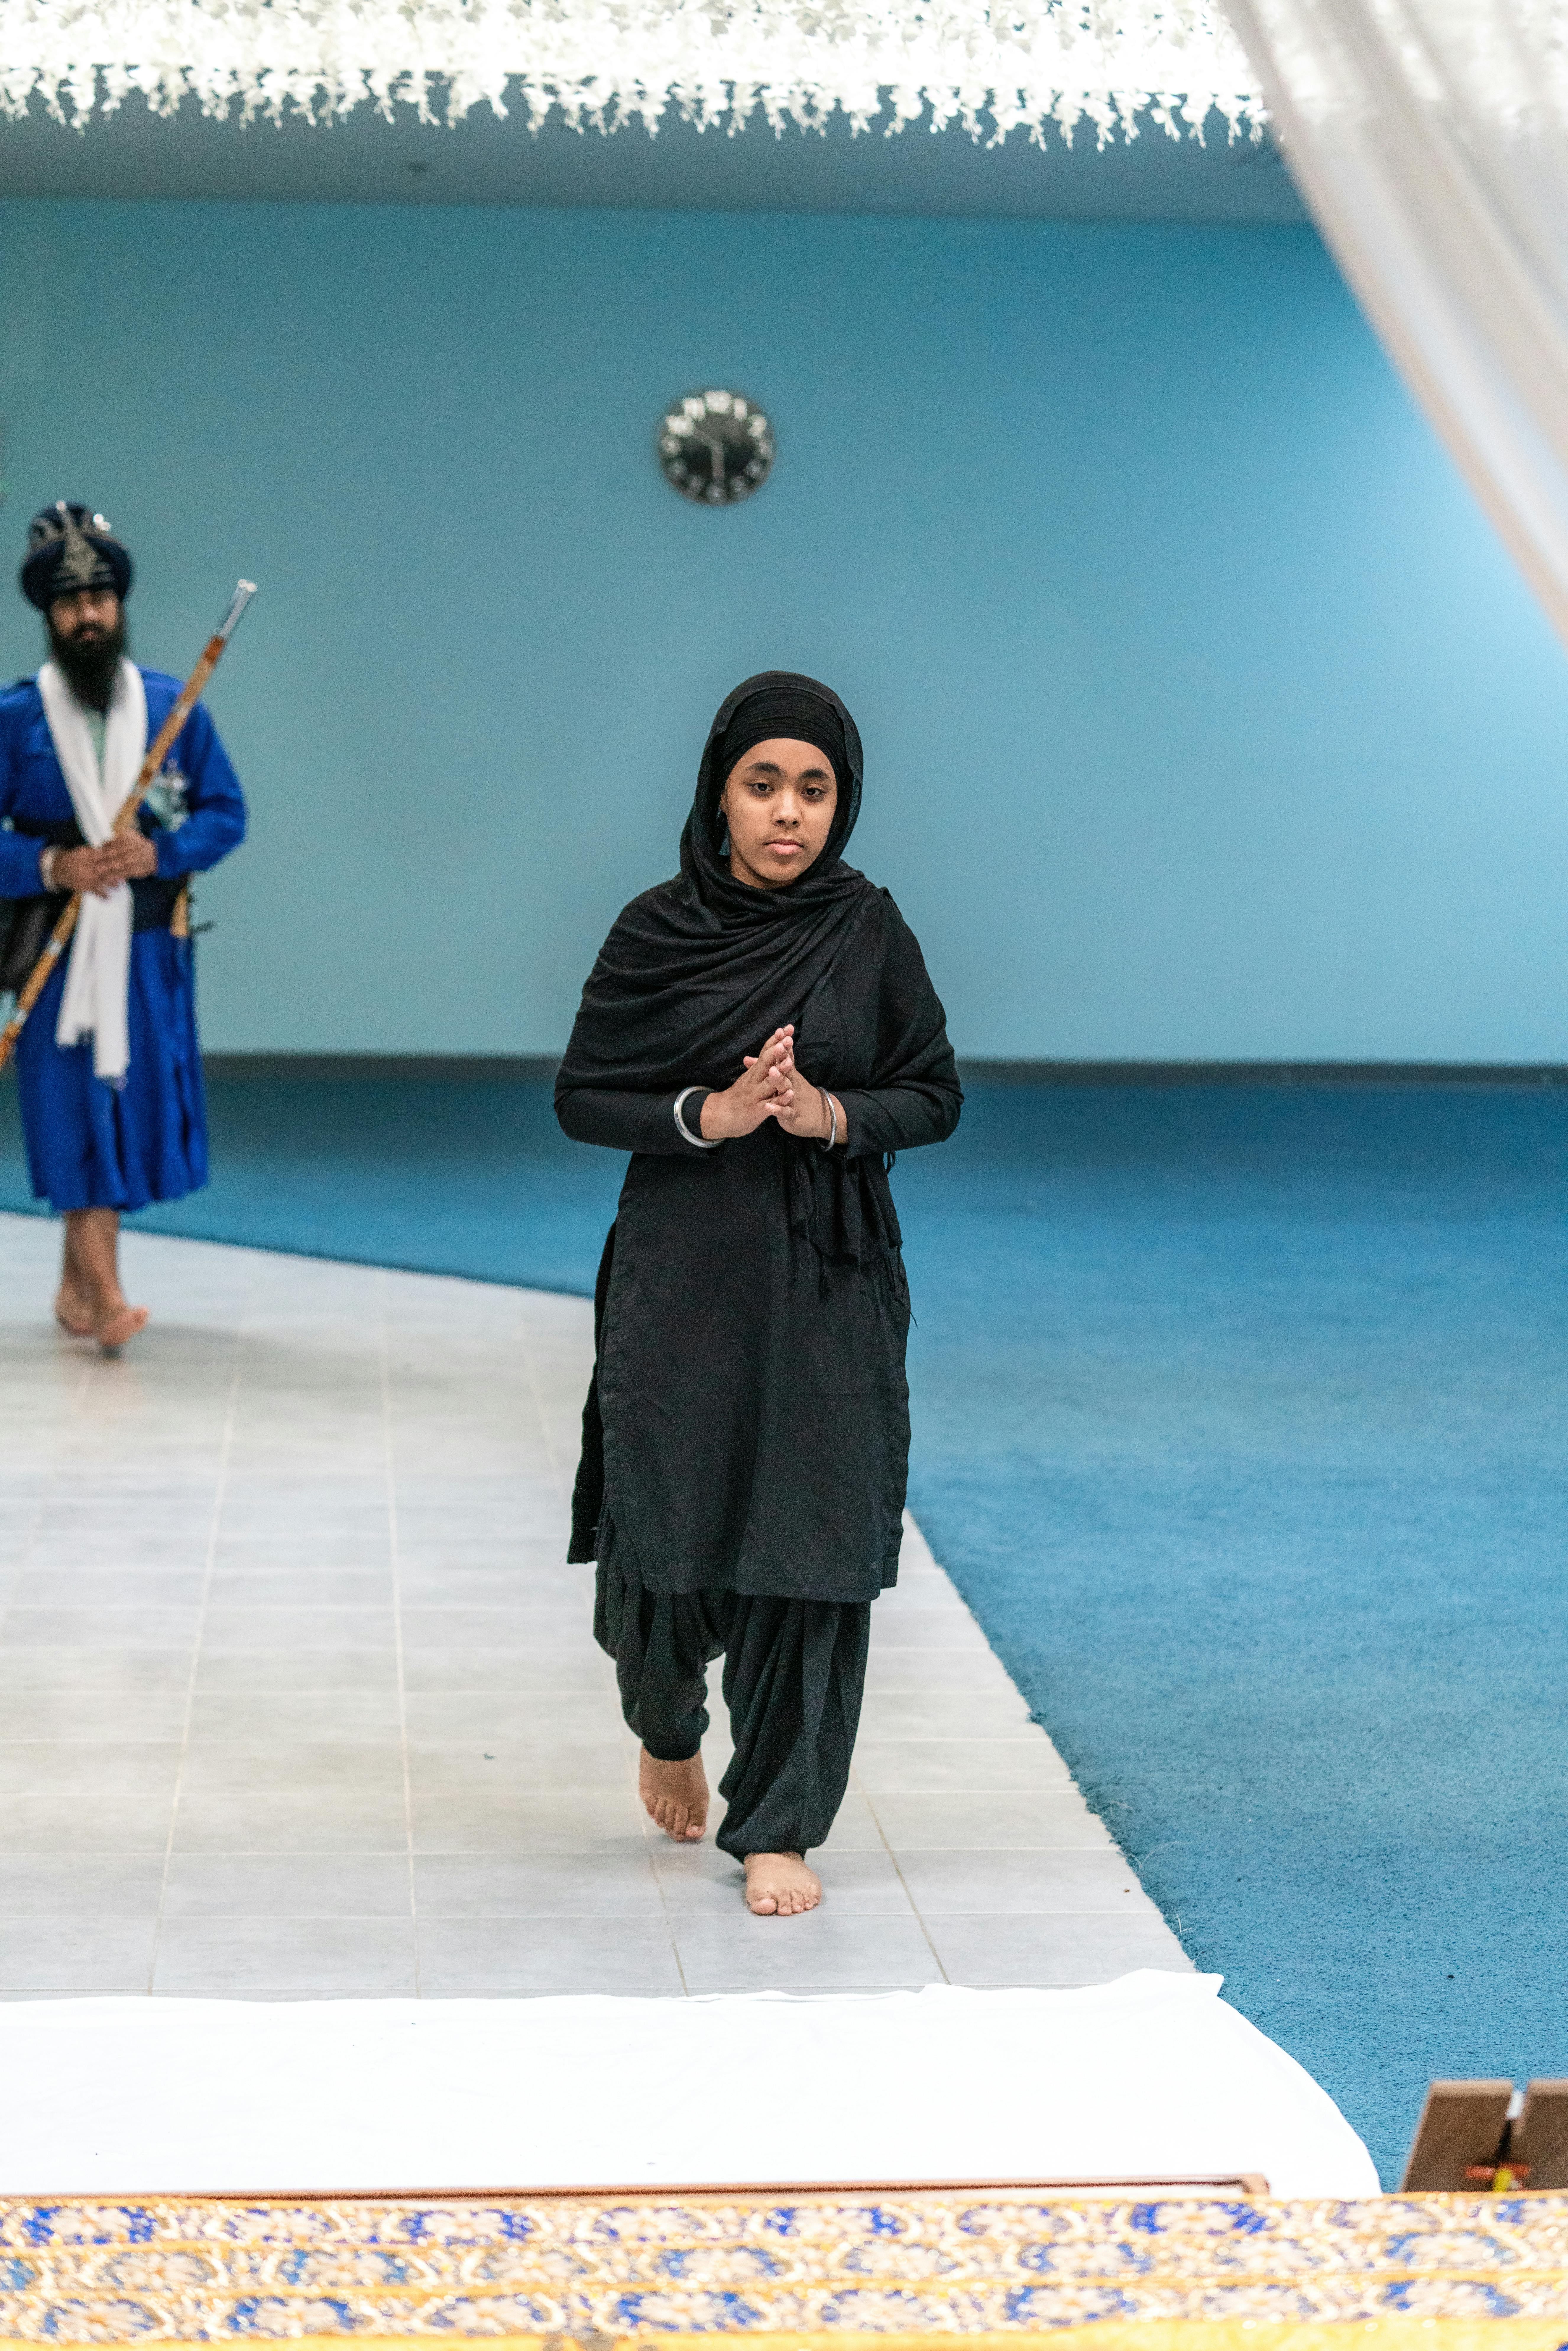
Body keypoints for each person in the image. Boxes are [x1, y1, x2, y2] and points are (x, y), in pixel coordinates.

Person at [556, 671, 962, 1916]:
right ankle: (666, 1715)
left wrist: (832, 1111)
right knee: (666, 1537)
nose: (789, 814)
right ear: (720, 793)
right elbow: (584, 1093)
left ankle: (778, 1819)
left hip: (827, 1275)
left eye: (815, 789)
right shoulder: (655, 930)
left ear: (842, 804)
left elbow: (935, 1092)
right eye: (764, 785)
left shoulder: (868, 928)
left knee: (813, 1538)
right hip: (686, 1271)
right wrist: (711, 1113)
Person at [0, 503, 246, 1351]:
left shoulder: (175, 709)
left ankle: (76, 1287)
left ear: (119, 604)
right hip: (56, 950)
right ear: (49, 616)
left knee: (125, 1112)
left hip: (147, 950)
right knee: (72, 1111)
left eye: (100, 596)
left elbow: (226, 814)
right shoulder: (17, 718)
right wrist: (50, 866)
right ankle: (106, 1299)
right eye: (70, 603)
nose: (88, 614)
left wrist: (160, 852)